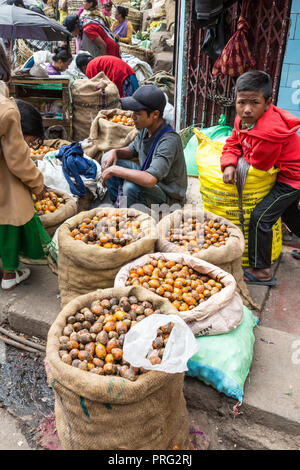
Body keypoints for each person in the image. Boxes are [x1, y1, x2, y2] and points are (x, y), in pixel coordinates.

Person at [221, 70, 300, 286]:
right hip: (288, 173)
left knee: (261, 217)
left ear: (267, 103)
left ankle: (262, 271)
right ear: (235, 100)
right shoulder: (244, 119)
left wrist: (238, 151)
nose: (246, 109)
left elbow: (259, 163)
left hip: (293, 178)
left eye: (254, 103)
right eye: (241, 102)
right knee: (290, 214)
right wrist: (229, 162)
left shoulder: (269, 133)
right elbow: (233, 142)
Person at [0, 45, 53, 290]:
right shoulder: (6, 109)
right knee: (10, 213)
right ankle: (9, 274)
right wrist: (36, 182)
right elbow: (18, 158)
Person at [101, 85, 187, 209]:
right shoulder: (145, 129)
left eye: (138, 113)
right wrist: (115, 152)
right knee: (107, 158)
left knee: (130, 186)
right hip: (148, 175)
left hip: (167, 195)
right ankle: (119, 204)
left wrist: (116, 170)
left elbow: (150, 180)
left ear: (155, 114)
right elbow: (131, 151)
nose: (132, 117)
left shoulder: (169, 141)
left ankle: (131, 215)